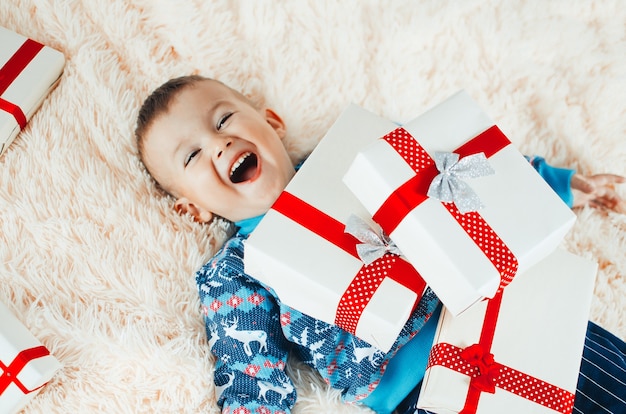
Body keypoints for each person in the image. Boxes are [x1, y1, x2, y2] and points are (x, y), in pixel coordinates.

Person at [135, 75, 626, 414]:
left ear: (272, 122)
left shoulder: (355, 159)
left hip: (508, 314)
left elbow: (453, 171)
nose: (218, 143)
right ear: (190, 208)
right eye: (193, 155)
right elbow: (251, 373)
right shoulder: (235, 272)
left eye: (223, 120)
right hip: (426, 391)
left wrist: (563, 186)